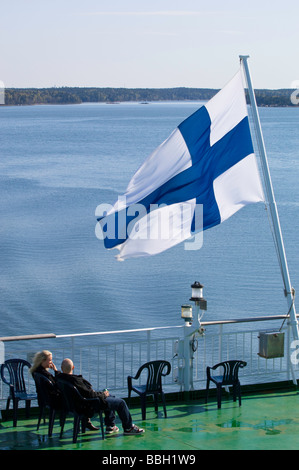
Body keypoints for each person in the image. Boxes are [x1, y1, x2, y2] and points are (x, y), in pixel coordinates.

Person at [57, 358, 144, 435]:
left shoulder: (61, 379)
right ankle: (128, 428)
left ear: (61, 368)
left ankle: (111, 425)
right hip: (89, 404)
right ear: (73, 367)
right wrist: (102, 394)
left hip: (76, 405)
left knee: (111, 396)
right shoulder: (76, 381)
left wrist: (55, 371)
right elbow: (90, 394)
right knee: (121, 402)